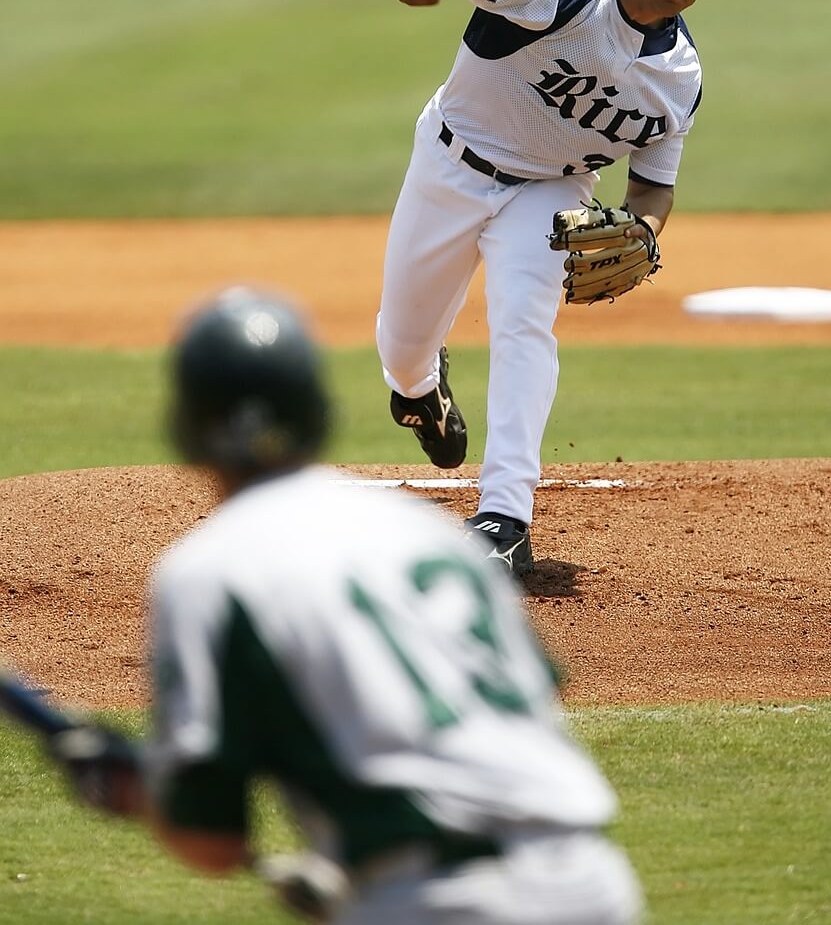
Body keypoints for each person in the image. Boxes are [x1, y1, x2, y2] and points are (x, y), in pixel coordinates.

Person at [48, 287, 643, 925]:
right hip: (595, 884)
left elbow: (210, 838)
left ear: (186, 427)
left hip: (437, 902)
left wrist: (139, 791)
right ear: (316, 409)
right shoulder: (432, 534)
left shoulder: (207, 570)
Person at [378, 0, 729, 576]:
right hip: (451, 163)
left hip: (550, 189)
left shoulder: (679, 79)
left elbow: (653, 186)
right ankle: (419, 390)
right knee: (402, 346)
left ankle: (505, 519)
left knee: (523, 321)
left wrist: (645, 232)